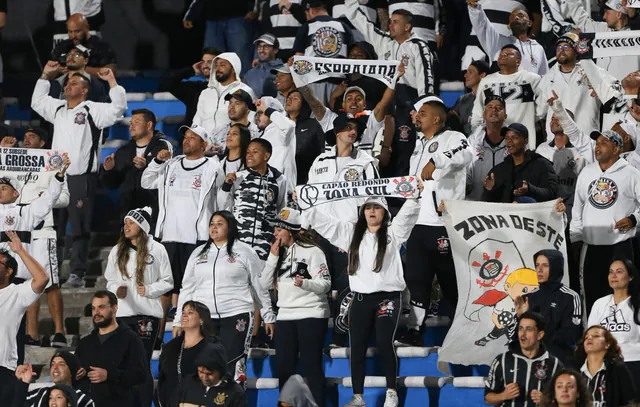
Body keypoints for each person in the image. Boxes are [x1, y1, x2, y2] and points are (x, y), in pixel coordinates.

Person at [303, 185, 423, 407]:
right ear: (363, 212)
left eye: (376, 207)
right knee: (356, 346)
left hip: (388, 297)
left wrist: (414, 196)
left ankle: (391, 392)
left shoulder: (394, 233)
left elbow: (407, 216)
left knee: (384, 342)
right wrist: (306, 205)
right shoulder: (351, 235)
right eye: (368, 207)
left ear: (385, 212)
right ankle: (358, 397)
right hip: (360, 299)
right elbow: (327, 224)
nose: (371, 211)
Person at [31, 63, 127, 288]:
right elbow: (37, 101)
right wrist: (46, 75)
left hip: (81, 177)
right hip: (55, 178)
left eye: (74, 83)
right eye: (67, 82)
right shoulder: (58, 109)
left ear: (84, 90)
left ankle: (77, 272)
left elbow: (119, 108)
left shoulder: (93, 109)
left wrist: (111, 81)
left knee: (80, 227)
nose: (67, 86)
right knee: (54, 227)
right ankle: (53, 272)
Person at [397, 96, 472, 346]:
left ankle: (459, 329)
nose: (418, 117)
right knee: (417, 279)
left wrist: (436, 160)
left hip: (444, 224)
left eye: (424, 113)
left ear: (437, 119)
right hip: (419, 224)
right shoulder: (418, 144)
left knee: (450, 281)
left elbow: (468, 153)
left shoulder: (453, 138)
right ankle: (415, 330)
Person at [173, 211, 276, 383]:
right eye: (212, 223)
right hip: (205, 318)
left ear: (230, 227)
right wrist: (178, 320)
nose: (214, 227)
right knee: (207, 367)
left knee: (233, 367)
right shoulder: (198, 253)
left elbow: (259, 287)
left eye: (219, 224)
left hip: (237, 315)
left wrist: (268, 316)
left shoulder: (245, 251)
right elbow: (187, 289)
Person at [344, 0, 437, 175]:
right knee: (379, 150)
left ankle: (404, 194)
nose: (390, 24)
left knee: (405, 150)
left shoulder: (419, 46)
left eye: (396, 22)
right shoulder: (383, 42)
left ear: (408, 26)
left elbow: (427, 80)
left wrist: (423, 110)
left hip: (408, 103)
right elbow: (359, 20)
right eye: (390, 21)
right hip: (384, 102)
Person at [140, 125, 222, 317]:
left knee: (194, 285)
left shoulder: (213, 167)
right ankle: (159, 334)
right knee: (167, 285)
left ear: (204, 144)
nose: (186, 140)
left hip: (197, 237)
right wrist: (156, 162)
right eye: (185, 137)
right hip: (169, 235)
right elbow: (146, 182)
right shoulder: (171, 165)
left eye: (192, 137)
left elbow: (223, 198)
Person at [0, 128, 70, 348]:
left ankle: (54, 332)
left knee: (40, 283)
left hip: (33, 241)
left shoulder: (26, 210)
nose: (26, 139)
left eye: (3, 188)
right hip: (7, 265)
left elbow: (53, 198)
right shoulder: (12, 166)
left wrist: (59, 175)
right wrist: (2, 152)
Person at [259, 208, 330, 406]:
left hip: (312, 314)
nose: (275, 233)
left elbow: (325, 284)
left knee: (311, 366)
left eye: (279, 229)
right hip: (285, 317)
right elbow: (263, 285)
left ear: (290, 230)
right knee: (284, 369)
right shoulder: (276, 253)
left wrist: (306, 283)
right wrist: (273, 257)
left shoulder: (313, 251)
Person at [104, 206, 173, 406]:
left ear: (142, 226)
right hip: (122, 315)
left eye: (131, 222)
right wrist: (117, 289)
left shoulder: (158, 249)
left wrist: (150, 290)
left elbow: (168, 281)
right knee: (124, 364)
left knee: (141, 364)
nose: (126, 226)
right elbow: (109, 280)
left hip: (147, 315)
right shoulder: (117, 250)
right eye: (125, 222)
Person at [570, 130, 640, 313]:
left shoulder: (632, 174)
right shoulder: (587, 172)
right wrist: (576, 237)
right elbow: (577, 209)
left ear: (617, 149)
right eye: (597, 143)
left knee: (623, 297)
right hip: (591, 247)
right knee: (591, 297)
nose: (597, 146)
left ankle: (623, 339)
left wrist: (634, 219)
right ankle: (592, 335)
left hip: (620, 246)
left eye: (603, 142)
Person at [0, 231, 51, 403]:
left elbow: (42, 279)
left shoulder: (16, 292)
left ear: (9, 271)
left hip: (3, 369)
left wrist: (20, 251)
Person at [536, 33, 619, 137]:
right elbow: (539, 111)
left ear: (576, 51)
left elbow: (616, 91)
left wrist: (601, 91)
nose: (561, 50)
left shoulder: (594, 71)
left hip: (586, 136)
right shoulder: (548, 77)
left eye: (566, 47)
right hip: (557, 141)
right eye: (559, 47)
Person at [218, 139, 288, 261]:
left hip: (264, 248)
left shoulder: (279, 179)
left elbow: (282, 210)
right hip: (238, 246)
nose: (249, 155)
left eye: (255, 152)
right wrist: (226, 186)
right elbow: (223, 208)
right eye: (248, 151)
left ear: (266, 155)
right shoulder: (238, 177)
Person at [74, 291, 148, 407]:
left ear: (114, 308)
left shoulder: (131, 339)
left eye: (101, 307)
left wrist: (109, 375)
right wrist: (76, 374)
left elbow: (140, 374)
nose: (96, 313)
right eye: (93, 308)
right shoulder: (85, 343)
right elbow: (76, 372)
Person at [101, 109, 173, 224]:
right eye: (131, 123)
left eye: (137, 122)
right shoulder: (123, 152)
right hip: (128, 215)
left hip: (154, 215)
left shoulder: (163, 147)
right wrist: (109, 171)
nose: (131, 126)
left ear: (149, 125)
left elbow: (167, 178)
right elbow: (113, 184)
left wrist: (146, 167)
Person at [515, 250, 582, 366]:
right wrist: (521, 317)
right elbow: (516, 338)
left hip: (560, 364)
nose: (539, 269)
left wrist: (537, 325)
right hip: (530, 363)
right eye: (537, 265)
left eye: (545, 265)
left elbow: (571, 337)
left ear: (556, 267)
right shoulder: (528, 297)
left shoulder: (570, 297)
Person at [471, 45, 542, 150]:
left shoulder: (532, 79)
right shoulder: (486, 81)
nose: (503, 55)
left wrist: (531, 118)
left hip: (523, 142)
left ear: (518, 61)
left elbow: (544, 105)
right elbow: (478, 111)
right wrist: (476, 135)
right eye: (501, 54)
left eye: (508, 54)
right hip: (492, 142)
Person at [485, 311, 563, 406]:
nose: (523, 334)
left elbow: (563, 401)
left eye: (528, 329)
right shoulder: (502, 360)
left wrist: (546, 401)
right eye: (520, 329)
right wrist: (503, 395)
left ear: (539, 335)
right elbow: (488, 398)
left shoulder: (554, 364)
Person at [536, 92, 592, 221]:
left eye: (558, 118)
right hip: (547, 205)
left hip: (573, 206)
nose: (553, 121)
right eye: (552, 118)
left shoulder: (582, 150)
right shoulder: (542, 148)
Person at [158, 301, 221, 407]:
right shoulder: (171, 347)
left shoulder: (213, 347)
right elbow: (163, 380)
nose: (184, 315)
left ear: (201, 320)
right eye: (183, 312)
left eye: (190, 312)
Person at [588, 258, 640, 382]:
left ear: (630, 277)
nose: (613, 275)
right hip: (604, 363)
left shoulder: (637, 304)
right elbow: (590, 335)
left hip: (633, 363)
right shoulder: (600, 303)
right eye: (611, 272)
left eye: (619, 271)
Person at [562, 0, 639, 79]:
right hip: (604, 88)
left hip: (629, 88)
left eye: (607, 12)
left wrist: (633, 12)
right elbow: (581, 19)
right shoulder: (602, 29)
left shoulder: (635, 33)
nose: (604, 17)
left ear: (619, 14)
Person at [482, 123, 557, 203]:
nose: (509, 141)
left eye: (515, 137)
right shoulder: (498, 170)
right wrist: (489, 190)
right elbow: (489, 204)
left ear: (525, 141)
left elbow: (552, 193)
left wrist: (530, 190)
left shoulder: (542, 165)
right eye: (507, 138)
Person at [467, 0, 548, 75]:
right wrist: (475, 9)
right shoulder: (498, 42)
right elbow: (483, 26)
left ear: (530, 23)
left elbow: (544, 78)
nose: (516, 18)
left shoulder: (538, 48)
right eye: (512, 17)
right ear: (509, 26)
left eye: (521, 15)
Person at [182, 0, 257, 76]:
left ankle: (244, 85)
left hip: (239, 15)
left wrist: (254, 9)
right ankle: (211, 85)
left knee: (241, 56)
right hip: (213, 18)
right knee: (211, 56)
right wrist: (191, 14)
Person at [192, 52, 257, 138]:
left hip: (229, 144)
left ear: (234, 69)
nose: (218, 68)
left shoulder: (245, 90)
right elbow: (198, 120)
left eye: (222, 65)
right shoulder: (206, 93)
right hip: (205, 146)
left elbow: (251, 120)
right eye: (216, 65)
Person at [575, 325, 637, 406]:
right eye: (586, 337)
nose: (589, 338)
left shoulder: (617, 368)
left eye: (596, 336)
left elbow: (630, 401)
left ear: (607, 344)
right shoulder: (576, 371)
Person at [159, 47, 219, 127]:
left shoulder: (226, 89)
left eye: (209, 62)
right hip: (193, 136)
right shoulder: (194, 89)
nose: (204, 65)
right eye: (203, 62)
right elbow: (165, 84)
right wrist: (191, 70)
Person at [177, 340, 247, 407]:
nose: (204, 378)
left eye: (209, 374)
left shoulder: (235, 392)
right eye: (201, 372)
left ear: (220, 370)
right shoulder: (187, 384)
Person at [14, 351, 95, 407]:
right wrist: (23, 382)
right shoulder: (39, 393)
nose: (55, 368)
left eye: (61, 364)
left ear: (71, 372)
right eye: (52, 364)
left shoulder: (83, 400)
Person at [466, 95, 508, 201]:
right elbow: (465, 172)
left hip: (506, 206)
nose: (494, 109)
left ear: (505, 115)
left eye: (499, 107)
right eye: (490, 106)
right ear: (484, 115)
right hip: (477, 205)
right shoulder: (471, 141)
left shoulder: (514, 141)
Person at [50, 14, 117, 78]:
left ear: (87, 28)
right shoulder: (62, 46)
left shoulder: (101, 46)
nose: (73, 36)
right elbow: (48, 72)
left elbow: (112, 72)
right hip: (66, 87)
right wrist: (57, 70)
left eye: (77, 31)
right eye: (70, 32)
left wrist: (81, 69)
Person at [254, 97, 297, 190]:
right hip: (264, 193)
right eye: (257, 113)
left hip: (283, 195)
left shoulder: (280, 131)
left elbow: (289, 126)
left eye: (261, 113)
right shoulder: (263, 134)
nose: (257, 117)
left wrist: (266, 110)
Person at [284, 89, 324, 185]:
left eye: (295, 98)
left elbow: (322, 150)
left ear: (304, 104)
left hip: (305, 176)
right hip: (283, 176)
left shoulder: (312, 124)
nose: (289, 100)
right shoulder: (278, 124)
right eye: (288, 98)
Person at [207, 89, 260, 154]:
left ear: (248, 108)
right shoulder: (217, 132)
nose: (232, 107)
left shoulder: (257, 133)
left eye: (237, 103)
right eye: (230, 103)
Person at [451, 59, 491, 137]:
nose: (465, 75)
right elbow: (451, 121)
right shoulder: (462, 99)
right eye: (466, 72)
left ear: (482, 75)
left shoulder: (492, 99)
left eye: (470, 72)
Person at [244, 33, 283, 98]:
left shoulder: (284, 71)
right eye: (259, 47)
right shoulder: (249, 74)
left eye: (266, 47)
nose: (261, 50)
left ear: (275, 50)